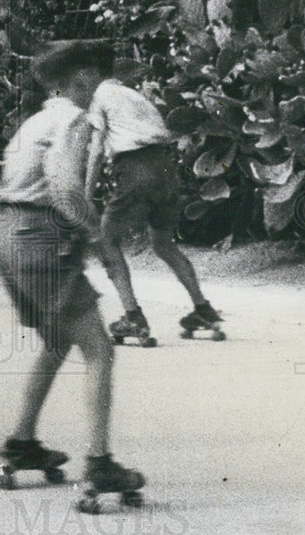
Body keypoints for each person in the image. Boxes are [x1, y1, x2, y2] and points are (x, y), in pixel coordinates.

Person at [0, 43, 145, 506]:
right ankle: (99, 464)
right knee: (99, 349)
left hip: (5, 232)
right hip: (37, 233)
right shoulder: (73, 118)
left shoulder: (36, 120)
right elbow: (65, 187)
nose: (102, 86)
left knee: (57, 340)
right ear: (82, 79)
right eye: (98, 77)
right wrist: (97, 236)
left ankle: (22, 441)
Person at [76, 42, 223, 344]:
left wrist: (85, 196)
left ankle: (133, 317)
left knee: (107, 241)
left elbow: (95, 151)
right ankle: (203, 308)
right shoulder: (134, 95)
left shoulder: (100, 98)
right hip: (167, 169)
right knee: (163, 244)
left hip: (135, 168)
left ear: (92, 74)